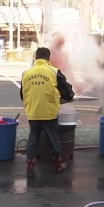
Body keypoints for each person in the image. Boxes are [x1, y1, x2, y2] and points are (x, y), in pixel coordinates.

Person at [20, 47, 75, 178]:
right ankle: (57, 166)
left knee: (33, 140)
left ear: (35, 57)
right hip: (49, 114)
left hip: (33, 113)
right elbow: (68, 92)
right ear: (48, 58)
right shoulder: (54, 72)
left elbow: (23, 95)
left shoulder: (26, 73)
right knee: (53, 140)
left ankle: (30, 168)